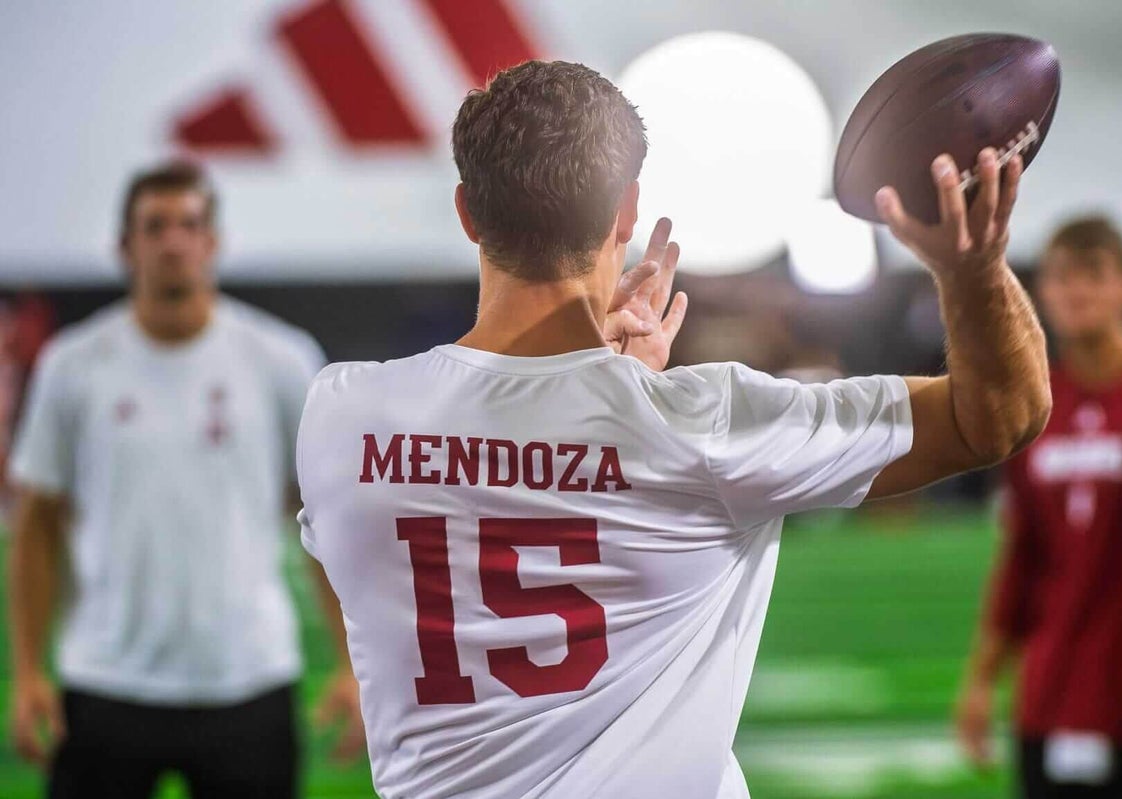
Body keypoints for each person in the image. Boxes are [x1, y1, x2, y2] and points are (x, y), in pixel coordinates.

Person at [297, 60, 1049, 798]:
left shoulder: (341, 412)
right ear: (625, 213)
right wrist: (971, 268)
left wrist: (593, 388)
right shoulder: (700, 424)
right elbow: (998, 417)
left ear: (467, 212)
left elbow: (405, 514)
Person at [6, 161, 367, 798]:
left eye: (190, 225)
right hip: (105, 679)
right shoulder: (73, 366)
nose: (174, 240)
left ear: (213, 242)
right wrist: (30, 671)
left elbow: (325, 523)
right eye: (155, 226)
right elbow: (36, 524)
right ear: (125, 247)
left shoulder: (281, 360)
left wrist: (352, 664)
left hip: (248, 679)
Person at [957, 216, 1122, 798]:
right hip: (1054, 687)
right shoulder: (1037, 403)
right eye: (1062, 277)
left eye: (1094, 275)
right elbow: (1022, 553)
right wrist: (983, 678)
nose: (1076, 291)